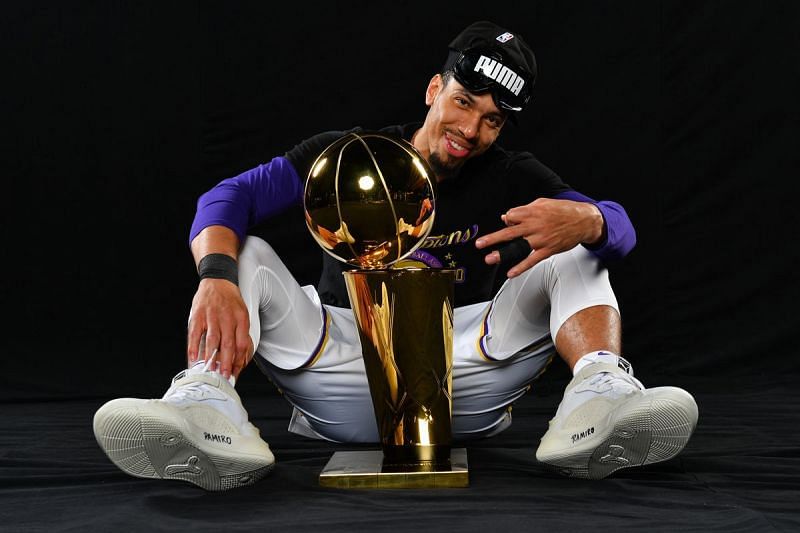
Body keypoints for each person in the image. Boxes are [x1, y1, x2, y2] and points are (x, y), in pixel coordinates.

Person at [94, 21, 698, 490]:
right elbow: (228, 197)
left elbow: (619, 230)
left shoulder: (510, 174)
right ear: (436, 90)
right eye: (464, 102)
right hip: (344, 361)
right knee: (242, 251)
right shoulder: (350, 155)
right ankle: (205, 406)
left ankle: (599, 402)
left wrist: (591, 217)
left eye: (492, 120)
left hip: (459, 378)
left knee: (578, 246)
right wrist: (216, 276)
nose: (471, 129)